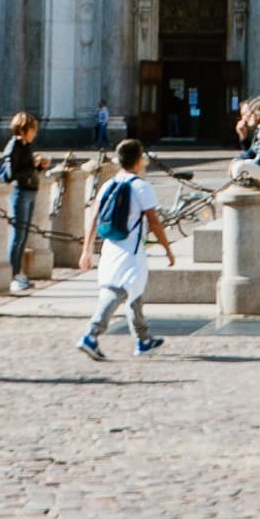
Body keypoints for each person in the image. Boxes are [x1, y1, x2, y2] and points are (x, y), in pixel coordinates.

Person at [76, 139, 173, 361]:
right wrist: (167, 248)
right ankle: (91, 334)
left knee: (133, 293)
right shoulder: (141, 187)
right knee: (119, 291)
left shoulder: (107, 185)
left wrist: (87, 249)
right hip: (132, 249)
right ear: (139, 161)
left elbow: (93, 218)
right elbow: (154, 222)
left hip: (111, 246)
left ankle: (143, 340)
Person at [2, 112, 46, 295]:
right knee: (17, 236)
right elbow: (12, 175)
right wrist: (32, 166)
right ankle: (11, 275)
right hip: (19, 192)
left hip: (29, 191)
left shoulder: (26, 146)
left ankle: (17, 272)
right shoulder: (14, 147)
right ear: (24, 129)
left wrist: (38, 166)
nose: (35, 133)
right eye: (33, 129)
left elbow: (26, 170)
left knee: (23, 236)